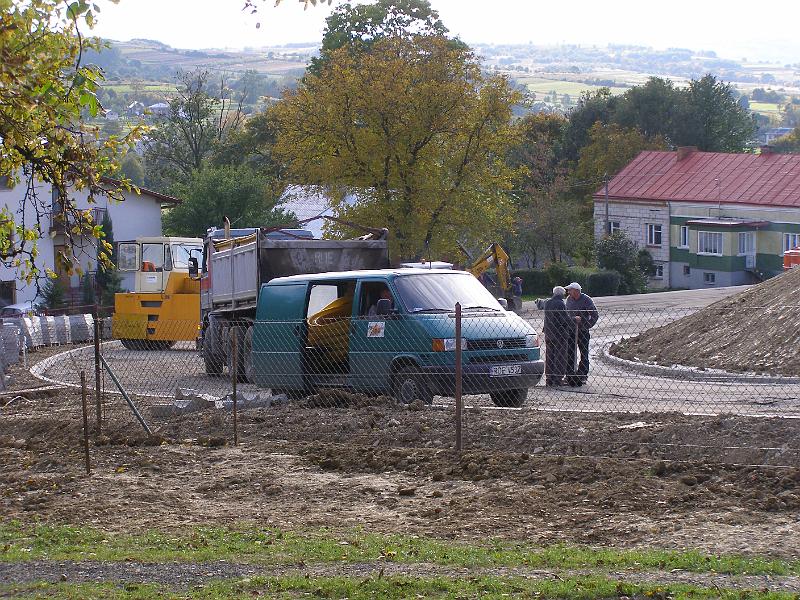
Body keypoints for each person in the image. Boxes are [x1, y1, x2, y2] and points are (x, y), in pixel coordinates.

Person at [564, 282, 599, 386]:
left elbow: (594, 315)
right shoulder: (569, 300)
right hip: (571, 331)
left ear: (576, 291)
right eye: (568, 290)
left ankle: (582, 374)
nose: (569, 292)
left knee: (584, 353)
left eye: (570, 290)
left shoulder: (586, 300)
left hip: (582, 331)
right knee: (570, 353)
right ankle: (570, 375)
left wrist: (586, 325)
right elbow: (566, 313)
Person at [543, 286, 571, 386]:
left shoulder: (547, 303)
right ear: (562, 294)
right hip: (559, 334)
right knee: (560, 356)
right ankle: (558, 379)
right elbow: (563, 319)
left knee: (549, 356)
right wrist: (573, 320)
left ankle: (549, 378)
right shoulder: (560, 303)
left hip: (548, 333)